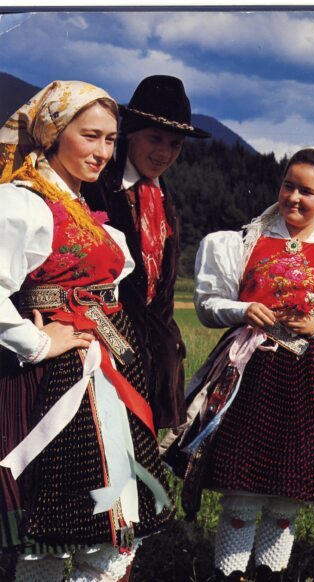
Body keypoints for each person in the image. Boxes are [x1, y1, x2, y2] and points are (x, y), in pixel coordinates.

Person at [163, 147, 314, 581]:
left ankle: (270, 574)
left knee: (289, 493)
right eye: (289, 185)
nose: (294, 198)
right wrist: (243, 310)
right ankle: (228, 573)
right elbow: (209, 306)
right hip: (250, 374)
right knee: (242, 491)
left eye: (308, 191)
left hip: (310, 378)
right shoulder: (244, 242)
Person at [0, 80, 173, 582]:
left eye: (111, 140)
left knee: (107, 535)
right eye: (91, 136)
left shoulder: (79, 203)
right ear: (54, 133)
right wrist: (36, 341)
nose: (102, 152)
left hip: (104, 372)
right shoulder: (21, 203)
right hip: (52, 383)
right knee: (53, 536)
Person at [82, 75, 211, 430]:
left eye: (175, 144)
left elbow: (162, 296)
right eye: (155, 138)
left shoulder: (164, 201)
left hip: (156, 366)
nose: (164, 153)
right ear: (129, 133)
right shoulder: (95, 189)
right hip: (103, 357)